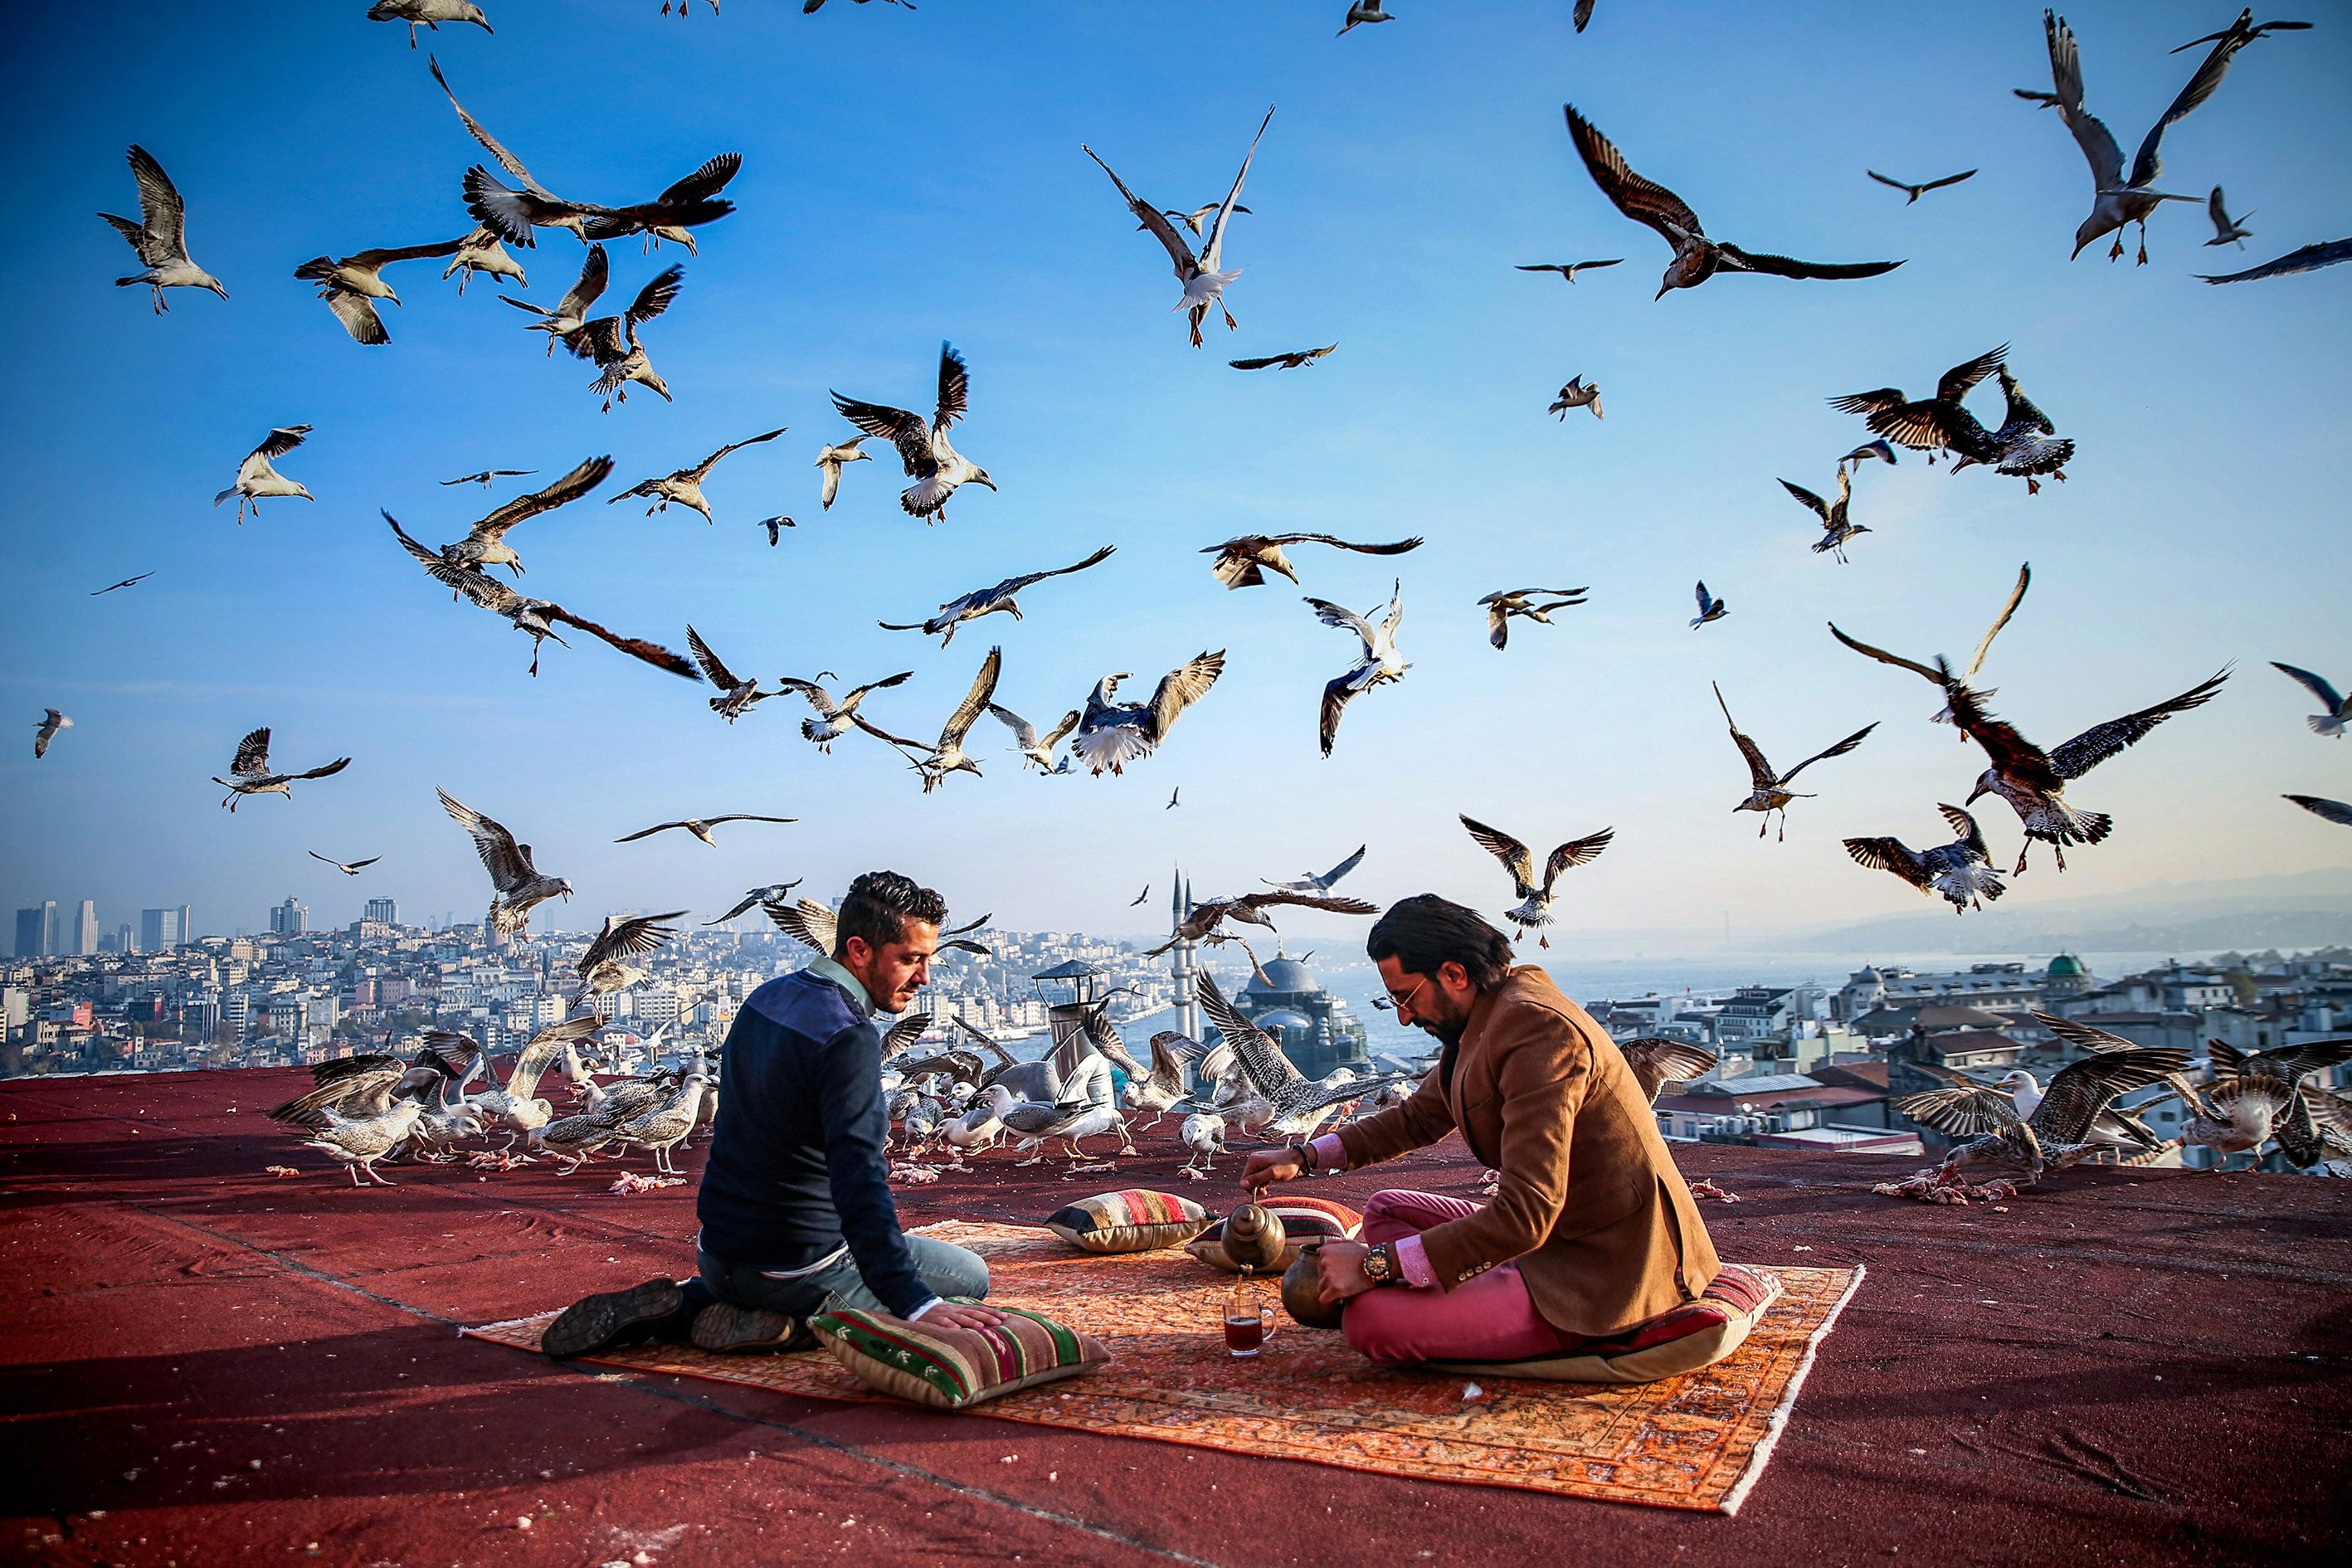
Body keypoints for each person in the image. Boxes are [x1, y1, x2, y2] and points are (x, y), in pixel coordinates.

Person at [1238, 894, 1727, 1367]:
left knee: (1370, 1324)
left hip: (1604, 1267)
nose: (1404, 1017)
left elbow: (1526, 1216)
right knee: (1386, 1209)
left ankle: (1519, 1304)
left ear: (1454, 973)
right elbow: (1419, 1117)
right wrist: (1302, 1158)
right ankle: (1479, 1280)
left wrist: (1375, 1267)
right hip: (1550, 1230)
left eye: (1406, 997)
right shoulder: (1485, 1014)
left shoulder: (1537, 1032)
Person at [542, 871, 1003, 1359]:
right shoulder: (848, 1035)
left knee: (817, 1261)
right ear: (860, 950)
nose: (924, 977)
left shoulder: (766, 998)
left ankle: (692, 1302)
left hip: (717, 1254)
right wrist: (914, 1302)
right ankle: (800, 1324)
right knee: (969, 1279)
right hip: (796, 1266)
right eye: (911, 959)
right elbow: (859, 1177)